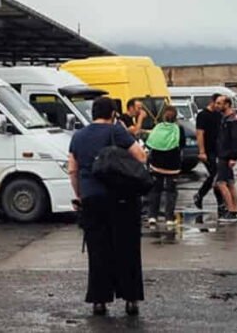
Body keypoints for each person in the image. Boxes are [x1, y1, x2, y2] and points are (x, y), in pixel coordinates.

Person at [67, 96, 148, 317]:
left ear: (92, 113)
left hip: (92, 199)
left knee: (98, 250)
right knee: (127, 249)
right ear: (113, 113)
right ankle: (131, 299)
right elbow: (140, 157)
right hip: (122, 199)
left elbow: (72, 169)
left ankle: (99, 301)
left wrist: (80, 195)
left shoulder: (79, 136)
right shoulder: (117, 132)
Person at [145, 106, 181, 229]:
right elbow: (182, 144)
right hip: (173, 166)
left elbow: (149, 143)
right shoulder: (178, 129)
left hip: (156, 165)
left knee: (155, 191)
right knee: (171, 192)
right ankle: (169, 218)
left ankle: (152, 217)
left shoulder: (157, 128)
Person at [193, 94, 226, 213]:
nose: (220, 106)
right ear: (212, 102)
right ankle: (217, 203)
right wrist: (202, 151)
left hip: (219, 150)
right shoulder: (203, 115)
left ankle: (216, 203)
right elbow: (199, 133)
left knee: (217, 177)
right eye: (218, 103)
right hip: (208, 150)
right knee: (216, 175)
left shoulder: (219, 115)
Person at [214, 96, 237, 223]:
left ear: (227, 104)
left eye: (219, 103)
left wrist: (233, 157)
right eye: (216, 103)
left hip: (226, 156)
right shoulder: (225, 118)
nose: (217, 105)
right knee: (230, 183)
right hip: (223, 154)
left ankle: (232, 211)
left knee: (221, 183)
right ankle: (235, 211)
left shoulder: (232, 120)